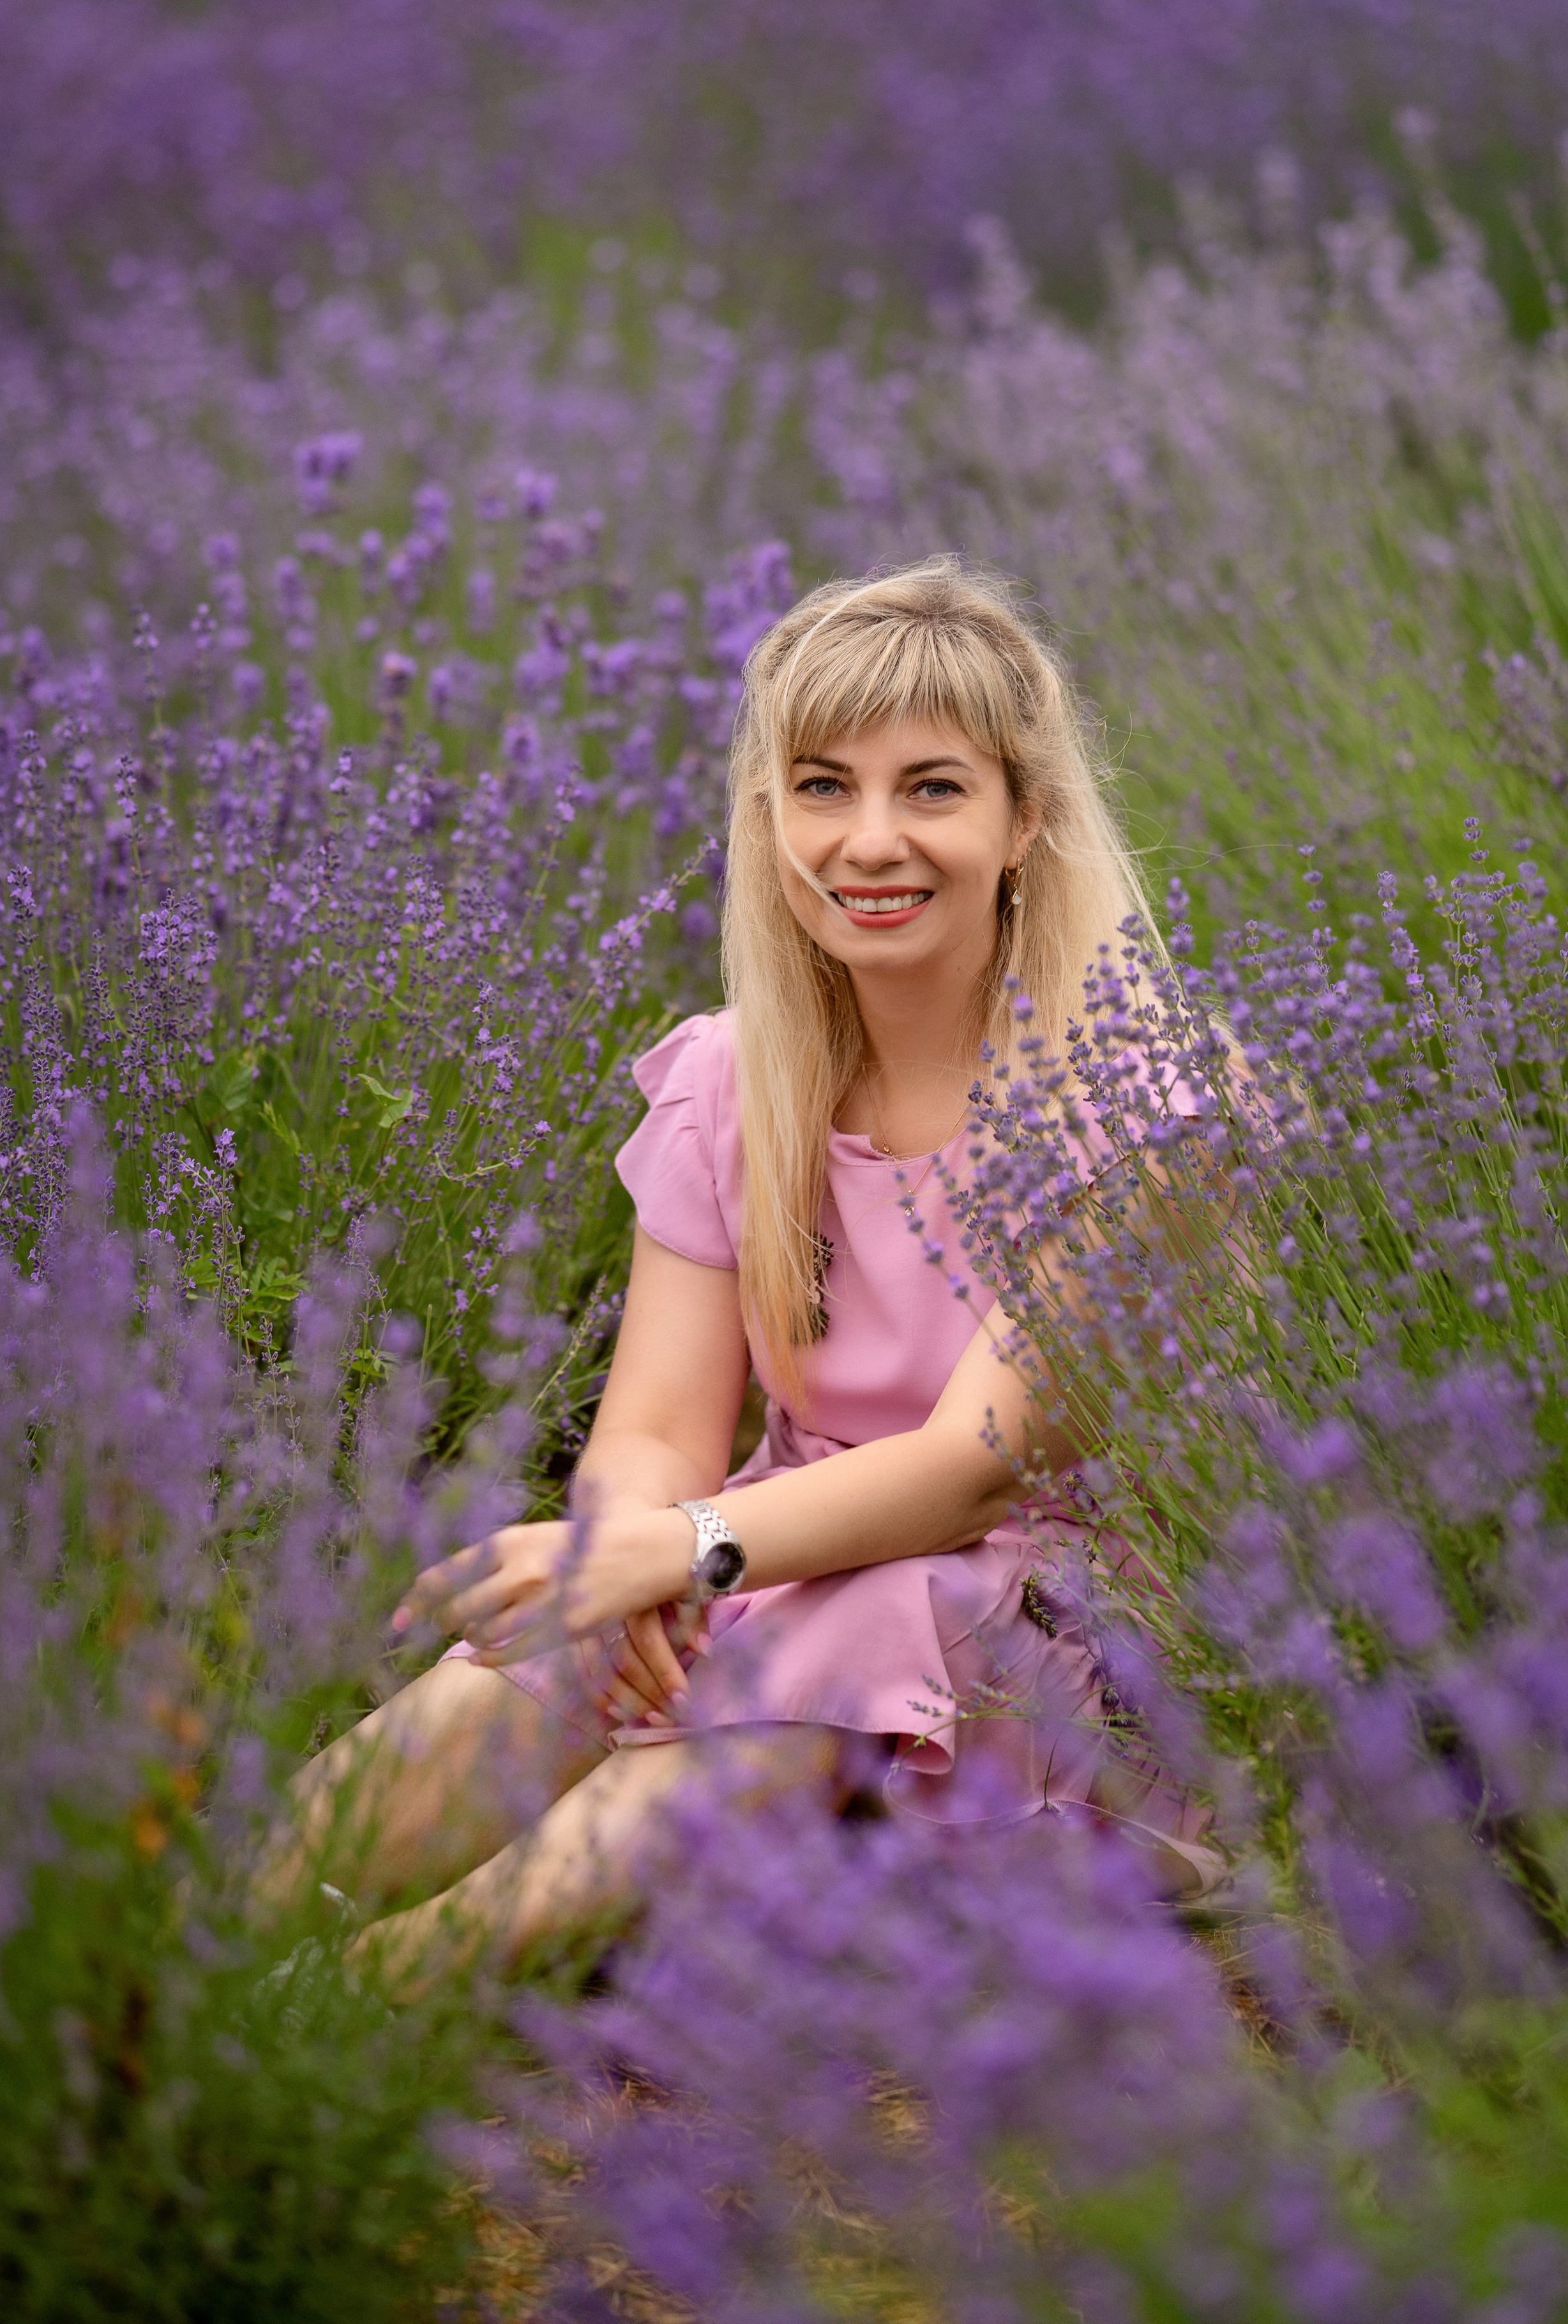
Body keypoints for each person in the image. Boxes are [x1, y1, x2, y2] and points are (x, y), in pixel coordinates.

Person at [257, 558, 1221, 1993]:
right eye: (821, 787)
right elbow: (653, 1426)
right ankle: (190, 1979)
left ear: (1025, 820)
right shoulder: (732, 1078)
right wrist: (632, 1565)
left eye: (932, 790)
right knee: (537, 1666)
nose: (869, 841)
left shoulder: (1141, 1099)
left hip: (1046, 1632)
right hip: (761, 1555)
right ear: (768, 818)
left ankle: (358, 2010)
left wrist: (683, 1547)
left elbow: (974, 1469)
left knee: (849, 1618)